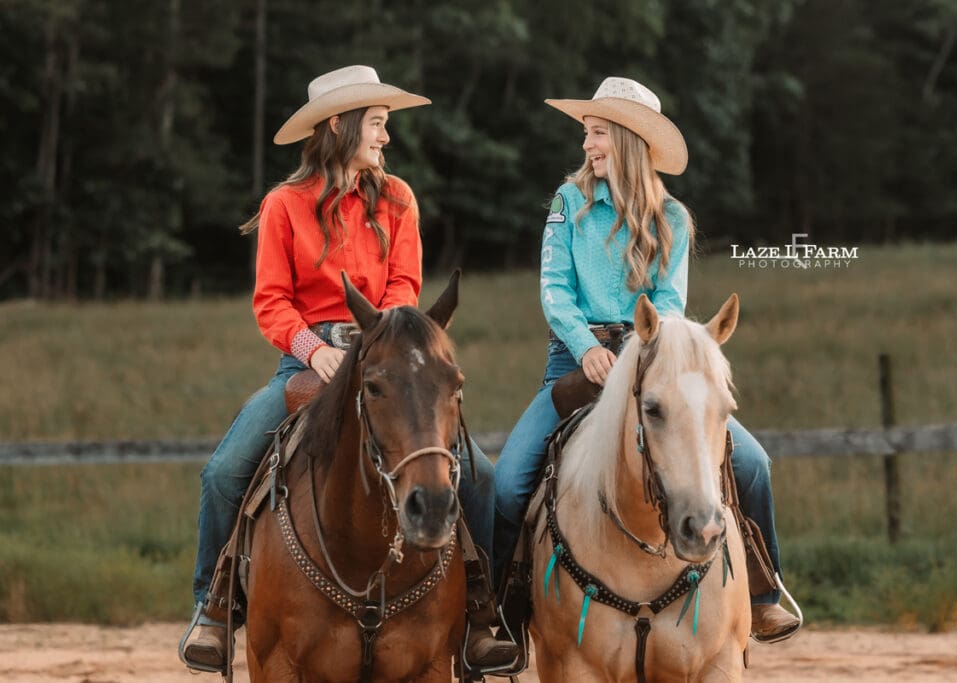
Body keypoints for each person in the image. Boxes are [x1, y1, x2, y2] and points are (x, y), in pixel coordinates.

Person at [179, 65, 517, 672]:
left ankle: (481, 614)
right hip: (304, 364)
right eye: (379, 125)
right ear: (340, 125)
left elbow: (405, 286)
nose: (386, 138)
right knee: (223, 472)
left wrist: (372, 348)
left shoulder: (397, 200)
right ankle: (213, 606)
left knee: (481, 477)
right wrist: (316, 351)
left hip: (385, 358)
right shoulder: (284, 205)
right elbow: (271, 300)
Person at [492, 76, 801, 642]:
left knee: (753, 464)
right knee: (509, 482)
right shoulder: (568, 203)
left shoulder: (674, 220)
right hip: (574, 362)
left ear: (630, 140)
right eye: (587, 134)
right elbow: (554, 290)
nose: (588, 146)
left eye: (599, 133)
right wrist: (587, 348)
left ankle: (760, 593)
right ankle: (499, 612)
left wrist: (639, 350)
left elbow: (668, 303)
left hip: (652, 357)